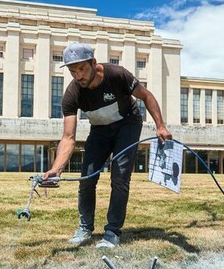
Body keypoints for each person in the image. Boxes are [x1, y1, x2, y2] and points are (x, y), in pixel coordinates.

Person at [43, 43, 172, 248]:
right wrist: (56, 169)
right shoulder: (72, 94)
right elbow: (68, 137)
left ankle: (112, 231)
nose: (78, 76)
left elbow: (146, 96)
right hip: (100, 130)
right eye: (72, 71)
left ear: (94, 63)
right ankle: (85, 227)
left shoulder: (118, 75)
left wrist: (161, 126)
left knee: (119, 177)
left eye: (82, 69)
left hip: (127, 124)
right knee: (87, 178)